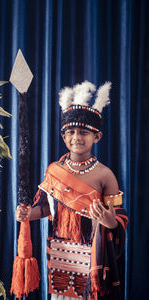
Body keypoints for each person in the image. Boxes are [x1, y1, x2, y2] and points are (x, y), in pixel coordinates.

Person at [16, 81, 128, 300]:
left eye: (84, 132)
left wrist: (110, 222)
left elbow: (119, 217)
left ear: (97, 137)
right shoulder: (54, 170)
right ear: (64, 136)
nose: (77, 137)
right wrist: (29, 214)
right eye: (72, 132)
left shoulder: (105, 175)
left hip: (93, 255)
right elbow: (47, 209)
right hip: (60, 252)